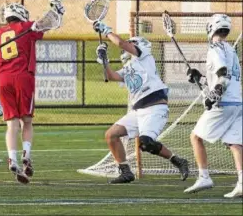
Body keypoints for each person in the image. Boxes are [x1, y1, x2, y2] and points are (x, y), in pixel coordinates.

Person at [0, 0, 65, 184]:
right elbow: (54, 19)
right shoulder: (27, 27)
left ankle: (12, 157)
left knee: (11, 125)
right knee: (26, 121)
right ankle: (26, 155)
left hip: (3, 80)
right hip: (23, 77)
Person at [93, 21, 189, 184]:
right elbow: (111, 76)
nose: (127, 46)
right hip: (138, 111)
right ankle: (125, 171)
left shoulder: (145, 56)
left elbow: (121, 43)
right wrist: (104, 61)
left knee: (146, 144)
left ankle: (177, 160)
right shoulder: (130, 66)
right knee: (111, 135)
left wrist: (106, 31)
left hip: (154, 107)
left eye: (132, 43)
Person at [185, 14, 242, 198]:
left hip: (224, 103)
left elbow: (223, 75)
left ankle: (204, 177)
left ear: (211, 28)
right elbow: (221, 75)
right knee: (235, 143)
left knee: (195, 137)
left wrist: (215, 94)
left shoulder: (215, 48)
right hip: (237, 102)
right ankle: (242, 182)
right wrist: (199, 77)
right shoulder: (230, 49)